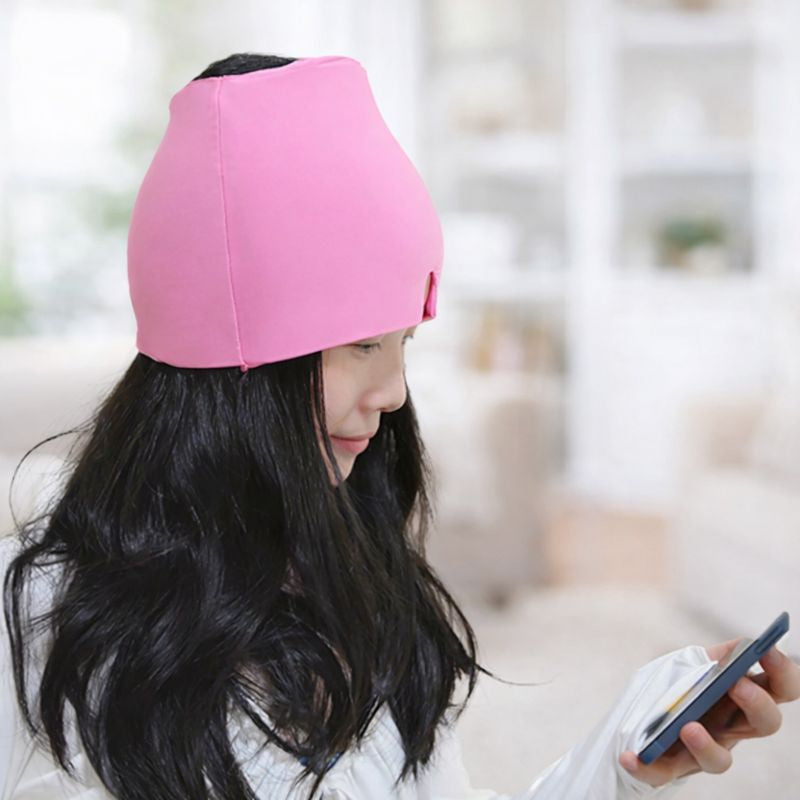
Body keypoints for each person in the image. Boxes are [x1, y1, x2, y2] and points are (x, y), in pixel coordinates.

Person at [1, 52, 799, 800]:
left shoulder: (350, 573)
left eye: (404, 342)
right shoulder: (42, 618)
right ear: (235, 369)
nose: (393, 393)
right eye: (362, 346)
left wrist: (621, 754)